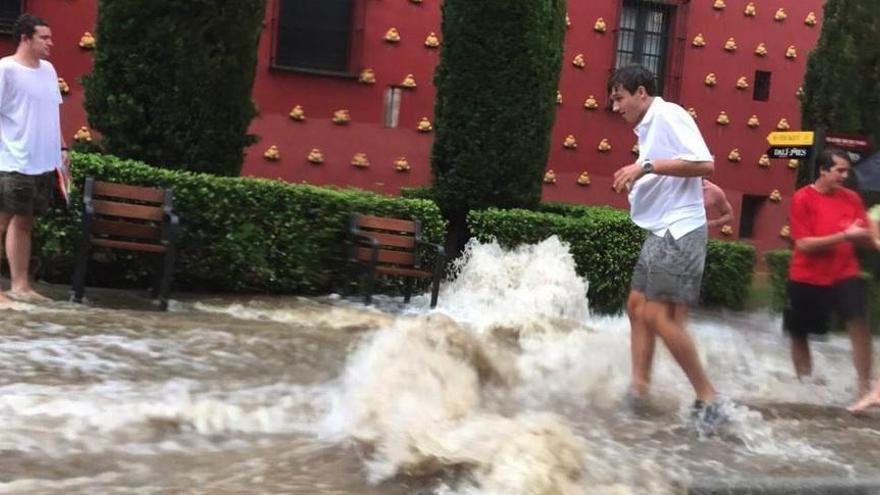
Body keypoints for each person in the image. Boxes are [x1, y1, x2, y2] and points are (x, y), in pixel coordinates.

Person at [608, 65, 721, 430]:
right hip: (661, 230)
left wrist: (646, 167)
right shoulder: (649, 125)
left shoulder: (669, 114)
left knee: (659, 316)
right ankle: (639, 389)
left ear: (641, 92)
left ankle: (709, 398)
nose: (615, 107)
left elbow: (705, 162)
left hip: (680, 229)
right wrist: (641, 170)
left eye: (619, 98)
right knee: (636, 306)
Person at [785, 149, 874, 400]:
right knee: (799, 332)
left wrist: (871, 238)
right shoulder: (802, 198)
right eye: (840, 170)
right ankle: (805, 387)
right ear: (823, 170)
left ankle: (864, 386)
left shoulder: (852, 199)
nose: (845, 176)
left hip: (845, 273)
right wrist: (844, 235)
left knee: (859, 324)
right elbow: (803, 244)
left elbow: (866, 236)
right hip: (807, 276)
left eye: (847, 171)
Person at [0, 14, 67, 304]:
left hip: (41, 163)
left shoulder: (49, 70)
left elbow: (52, 113)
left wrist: (63, 152)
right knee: (2, 221)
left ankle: (20, 286)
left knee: (24, 222)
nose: (51, 42)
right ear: (26, 38)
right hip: (12, 160)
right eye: (45, 37)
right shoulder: (5, 70)